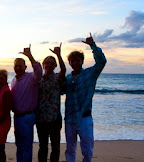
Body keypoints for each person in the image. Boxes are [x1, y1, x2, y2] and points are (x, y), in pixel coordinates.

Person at [64, 33, 107, 162]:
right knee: (70, 149)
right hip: (70, 119)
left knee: (87, 150)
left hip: (85, 118)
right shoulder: (68, 79)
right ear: (70, 63)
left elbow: (101, 62)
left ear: (82, 61)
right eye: (73, 61)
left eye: (78, 60)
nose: (75, 63)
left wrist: (93, 46)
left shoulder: (90, 74)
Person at [11, 44, 42, 162]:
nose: (18, 68)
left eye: (20, 66)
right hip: (17, 117)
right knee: (19, 145)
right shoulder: (14, 80)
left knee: (27, 146)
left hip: (28, 117)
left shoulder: (31, 77)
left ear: (25, 66)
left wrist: (30, 56)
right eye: (16, 66)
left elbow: (39, 71)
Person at [36, 43, 66, 162]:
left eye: (52, 64)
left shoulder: (58, 77)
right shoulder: (38, 79)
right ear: (43, 65)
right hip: (41, 118)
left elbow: (63, 69)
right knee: (43, 147)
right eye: (47, 63)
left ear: (55, 66)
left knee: (55, 147)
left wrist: (58, 55)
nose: (49, 65)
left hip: (54, 118)